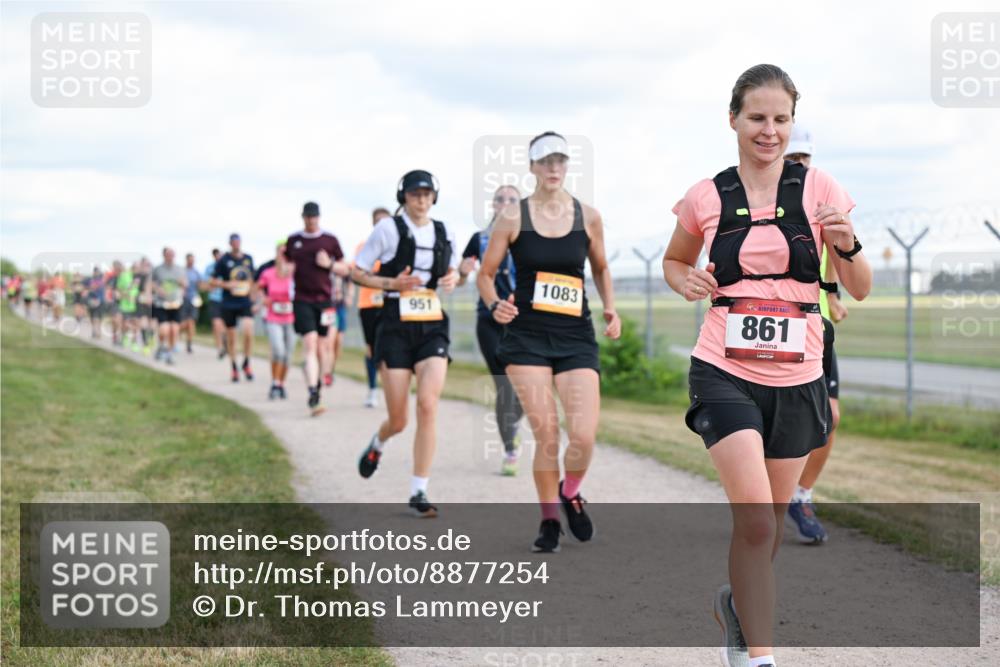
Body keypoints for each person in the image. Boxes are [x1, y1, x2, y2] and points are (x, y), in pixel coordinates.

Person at [662, 64, 871, 667]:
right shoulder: (708, 194)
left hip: (800, 372)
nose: (769, 130)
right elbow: (675, 261)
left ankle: (736, 604)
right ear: (733, 119)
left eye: (781, 119)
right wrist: (686, 280)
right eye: (757, 117)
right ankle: (759, 657)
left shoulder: (821, 189)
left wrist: (849, 242)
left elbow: (857, 288)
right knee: (755, 524)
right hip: (723, 368)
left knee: (770, 528)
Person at [477, 132, 621, 552]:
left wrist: (611, 307)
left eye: (560, 160)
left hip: (575, 335)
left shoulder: (588, 216)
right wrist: (494, 304)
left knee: (584, 434)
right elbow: (486, 275)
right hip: (526, 338)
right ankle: (548, 521)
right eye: (545, 161)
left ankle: (571, 491)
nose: (554, 168)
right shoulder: (512, 217)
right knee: (549, 434)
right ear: (532, 167)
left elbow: (601, 267)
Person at [353, 170, 460, 517]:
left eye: (428, 194)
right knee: (398, 419)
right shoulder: (387, 229)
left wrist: (454, 276)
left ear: (435, 197)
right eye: (415, 194)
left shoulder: (445, 231)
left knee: (428, 405)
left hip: (431, 325)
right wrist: (390, 283)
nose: (422, 200)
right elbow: (357, 271)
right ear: (404, 197)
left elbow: (456, 271)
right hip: (395, 325)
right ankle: (378, 443)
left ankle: (419, 491)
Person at [783, 126, 846, 545]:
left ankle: (801, 494)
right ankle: (765, 494)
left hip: (814, 324)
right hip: (771, 322)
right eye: (792, 159)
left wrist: (833, 294)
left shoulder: (820, 198)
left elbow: (834, 250)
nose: (798, 166)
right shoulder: (752, 197)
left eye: (803, 159)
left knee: (831, 416)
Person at [459, 184, 525, 476]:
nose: (506, 203)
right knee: (503, 385)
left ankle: (515, 420)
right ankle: (510, 449)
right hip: (488, 319)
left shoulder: (530, 238)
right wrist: (462, 271)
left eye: (512, 199)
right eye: (500, 199)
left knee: (525, 387)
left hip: (523, 321)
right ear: (493, 206)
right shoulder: (479, 239)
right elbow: (464, 272)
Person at [284, 202, 350, 415]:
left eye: (314, 217)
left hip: (325, 302)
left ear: (319, 218)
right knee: (310, 342)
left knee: (324, 347)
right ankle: (312, 391)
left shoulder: (330, 241)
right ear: (302, 217)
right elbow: (283, 269)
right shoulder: (294, 241)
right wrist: (281, 258)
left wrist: (329, 265)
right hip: (302, 299)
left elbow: (345, 268)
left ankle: (319, 385)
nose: (311, 221)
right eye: (307, 217)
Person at [356, 207, 391, 408]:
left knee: (388, 347)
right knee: (371, 349)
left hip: (389, 304)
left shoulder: (398, 247)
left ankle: (390, 390)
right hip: (368, 304)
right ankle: (372, 388)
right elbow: (360, 273)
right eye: (378, 221)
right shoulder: (364, 247)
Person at [212, 234, 256, 382]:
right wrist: (226, 284)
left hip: (244, 301)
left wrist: (253, 295)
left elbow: (252, 279)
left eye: (238, 241)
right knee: (232, 337)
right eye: (233, 242)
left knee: (249, 330)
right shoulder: (224, 260)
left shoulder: (248, 259)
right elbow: (212, 280)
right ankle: (234, 367)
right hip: (229, 302)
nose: (236, 244)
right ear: (230, 244)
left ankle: (247, 362)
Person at [258, 240, 296, 400]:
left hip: (292, 318)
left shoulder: (295, 274)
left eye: (286, 253)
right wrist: (263, 298)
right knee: (278, 351)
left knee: (288, 354)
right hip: (273, 317)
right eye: (280, 252)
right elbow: (258, 288)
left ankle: (281, 384)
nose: (283, 256)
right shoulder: (268, 273)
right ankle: (274, 382)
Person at [151, 247, 187, 365]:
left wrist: (182, 285)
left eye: (172, 254)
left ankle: (169, 354)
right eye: (168, 254)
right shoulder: (158, 269)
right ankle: (161, 345)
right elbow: (151, 283)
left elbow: (185, 284)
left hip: (176, 303)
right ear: (164, 255)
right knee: (164, 330)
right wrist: (157, 289)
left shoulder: (180, 269)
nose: (170, 256)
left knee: (174, 330)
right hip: (161, 303)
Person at [323, 269, 354, 386]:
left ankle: (331, 369)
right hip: (328, 307)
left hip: (340, 307)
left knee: (338, 342)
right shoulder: (322, 266)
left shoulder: (340, 266)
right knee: (329, 342)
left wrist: (349, 296)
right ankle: (327, 373)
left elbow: (350, 281)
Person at [204, 248, 227, 359]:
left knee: (225, 326)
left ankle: (225, 343)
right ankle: (220, 348)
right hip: (214, 299)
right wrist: (212, 285)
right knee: (217, 324)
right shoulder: (209, 268)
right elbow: (205, 284)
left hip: (227, 300)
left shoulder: (228, 266)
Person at [180, 253, 203, 354]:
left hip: (193, 299)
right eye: (190, 260)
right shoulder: (181, 271)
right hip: (183, 299)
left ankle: (189, 343)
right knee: (184, 323)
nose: (192, 261)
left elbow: (200, 285)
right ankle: (176, 334)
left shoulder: (196, 272)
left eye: (193, 260)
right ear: (186, 260)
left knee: (192, 322)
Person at [115, 261, 140, 351]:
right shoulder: (124, 276)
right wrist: (126, 296)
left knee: (136, 324)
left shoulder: (141, 277)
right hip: (125, 305)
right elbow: (118, 290)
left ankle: (134, 343)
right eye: (136, 268)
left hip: (137, 305)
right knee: (126, 324)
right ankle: (125, 337)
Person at [134, 257, 155, 354]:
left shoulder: (153, 276)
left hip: (152, 301)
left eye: (148, 264)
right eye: (145, 264)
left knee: (152, 322)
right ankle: (145, 343)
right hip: (142, 301)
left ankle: (150, 339)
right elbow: (134, 287)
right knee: (143, 321)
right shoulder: (138, 276)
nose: (147, 266)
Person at [83, 268, 105, 337]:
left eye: (98, 272)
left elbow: (102, 291)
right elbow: (84, 285)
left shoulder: (101, 280)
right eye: (95, 272)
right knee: (92, 317)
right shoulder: (90, 280)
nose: (96, 274)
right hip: (91, 301)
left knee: (98, 317)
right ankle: (94, 330)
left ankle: (98, 331)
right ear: (94, 273)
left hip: (100, 301)